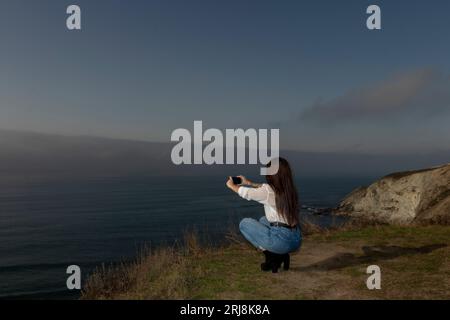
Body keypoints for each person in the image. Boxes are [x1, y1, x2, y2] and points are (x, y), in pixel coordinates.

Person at [226, 157, 302, 273]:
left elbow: (246, 193)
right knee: (263, 220)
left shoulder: (269, 191)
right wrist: (248, 183)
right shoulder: (289, 190)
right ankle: (280, 255)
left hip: (282, 241)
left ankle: (272, 256)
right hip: (296, 239)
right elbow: (264, 188)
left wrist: (232, 185)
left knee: (245, 223)